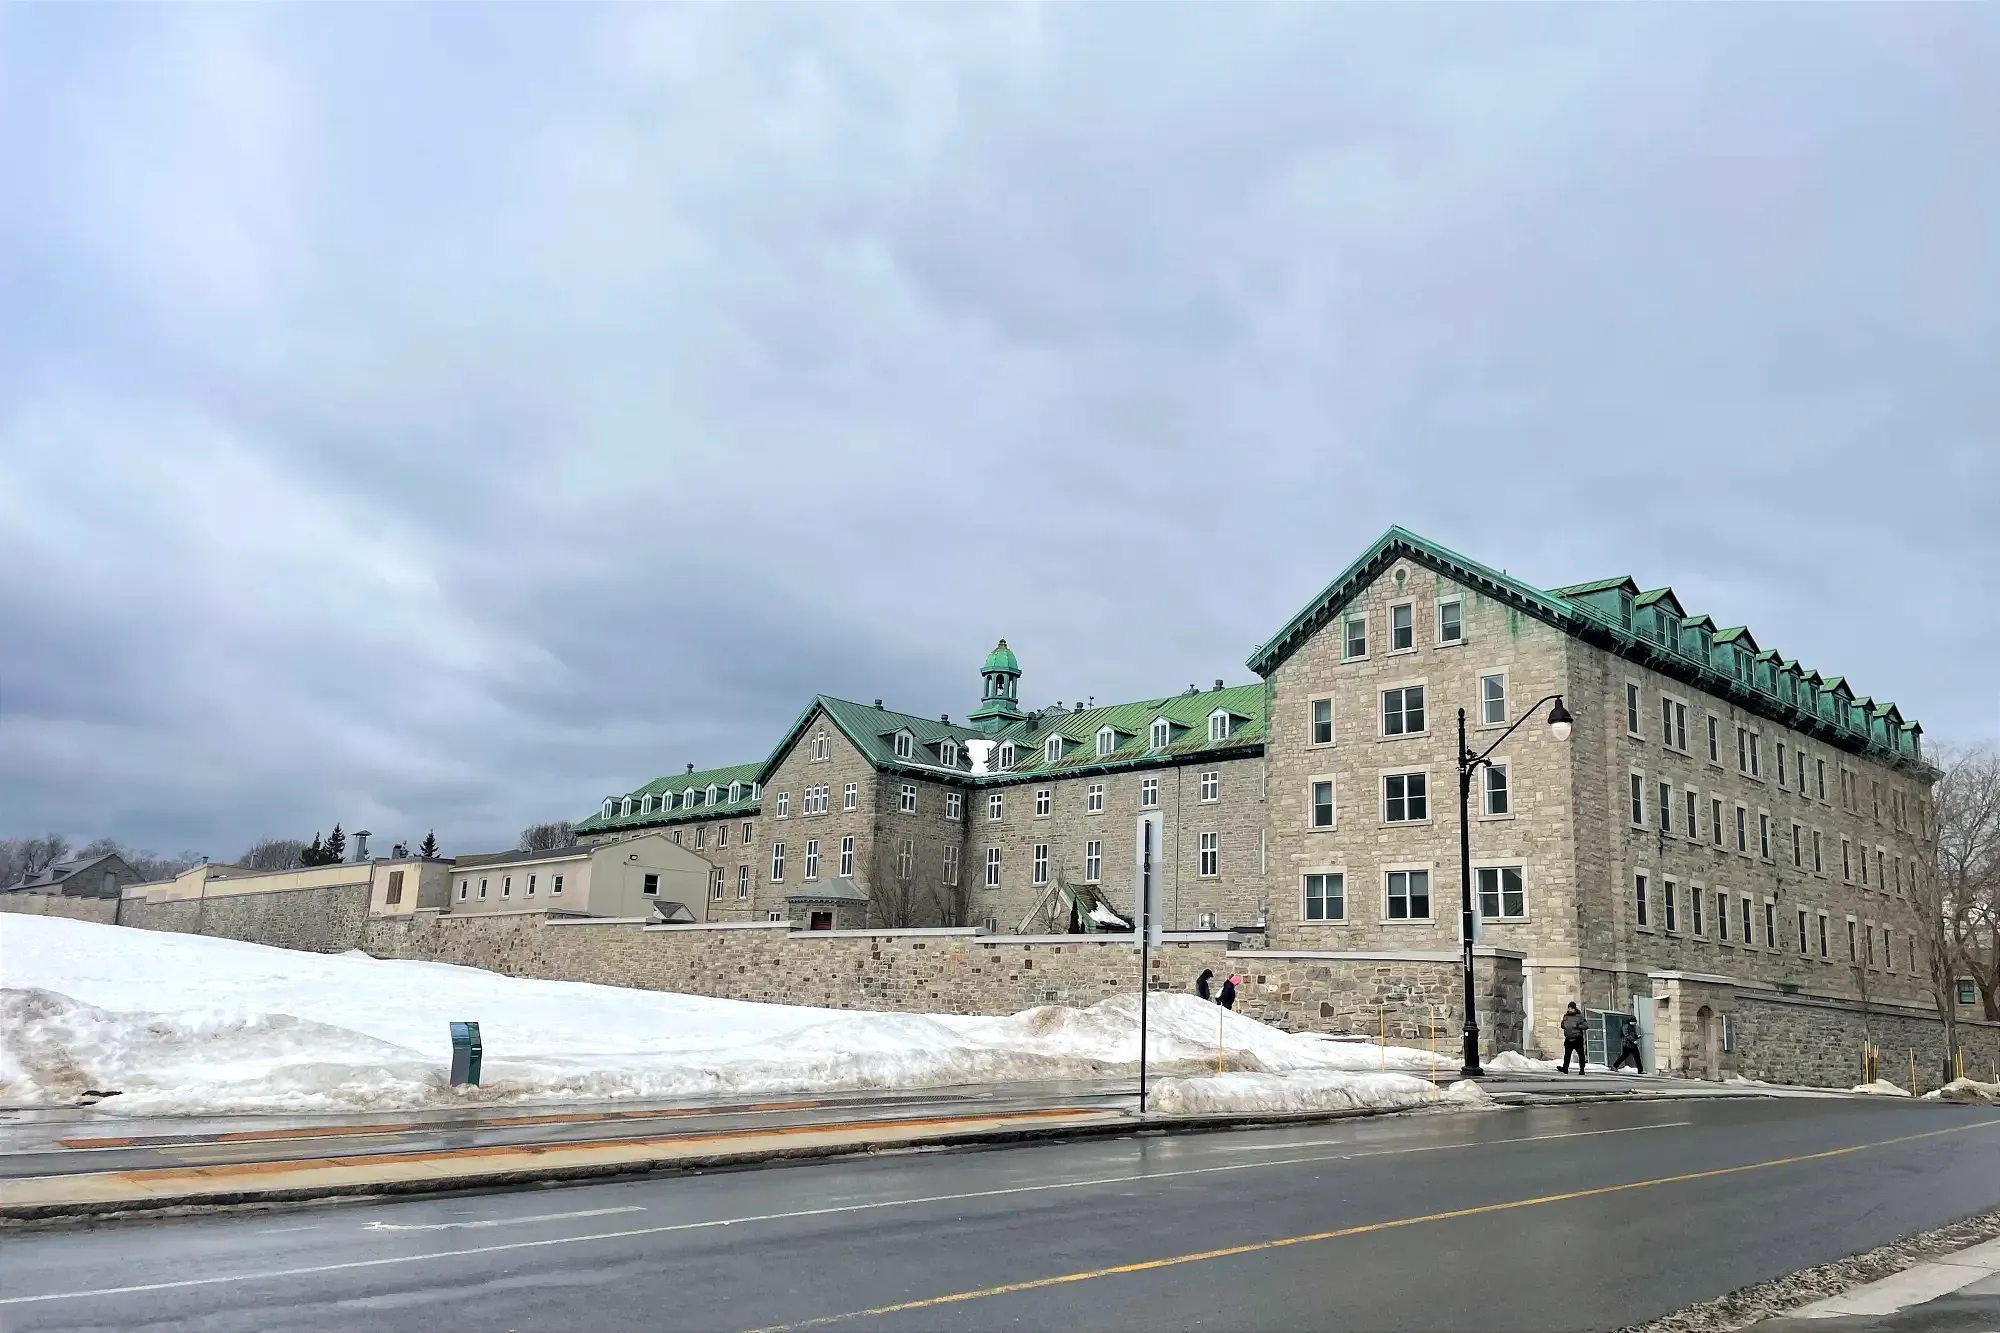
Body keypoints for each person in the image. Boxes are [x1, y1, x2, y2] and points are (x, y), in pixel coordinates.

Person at [1559, 1002, 1589, 1074]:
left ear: (1574, 1008)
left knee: (1581, 1054)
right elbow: (1562, 1024)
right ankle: (1565, 1068)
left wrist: (1578, 1026)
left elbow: (1586, 1026)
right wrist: (1563, 1026)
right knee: (1567, 1055)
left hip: (1577, 1039)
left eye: (1571, 1008)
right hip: (1568, 1039)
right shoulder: (1566, 1016)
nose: (1569, 1010)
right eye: (1569, 1008)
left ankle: (1582, 1069)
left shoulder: (1579, 1017)